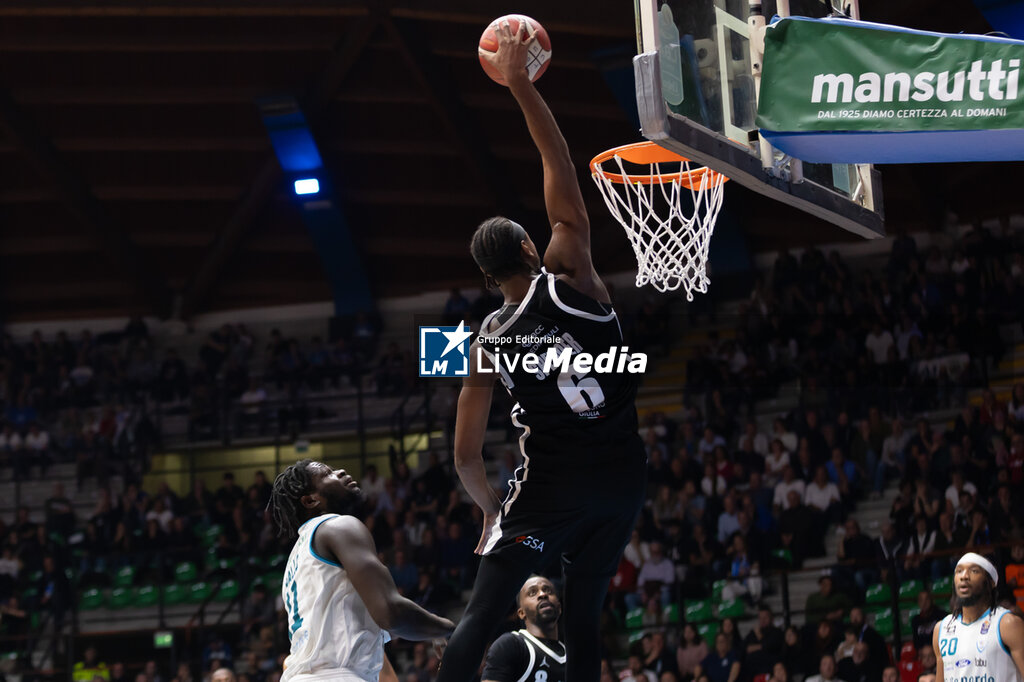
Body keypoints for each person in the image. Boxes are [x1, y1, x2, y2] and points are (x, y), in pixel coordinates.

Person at [438, 20, 646, 682]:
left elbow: (466, 456)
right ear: (533, 249)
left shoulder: (488, 340)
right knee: (583, 620)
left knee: (479, 616)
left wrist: (493, 512)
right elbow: (557, 162)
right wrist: (521, 83)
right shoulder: (575, 275)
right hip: (619, 487)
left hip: (545, 509)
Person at [268, 460, 454, 681]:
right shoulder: (338, 526)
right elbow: (390, 612)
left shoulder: (297, 556)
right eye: (328, 474)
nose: (341, 471)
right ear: (310, 500)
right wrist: (446, 628)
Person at [933, 552, 1024, 682]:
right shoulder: (941, 629)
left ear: (991, 582)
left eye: (974, 571)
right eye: (959, 571)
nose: (964, 576)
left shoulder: (1007, 624)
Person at [482, 576, 565, 682]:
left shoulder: (572, 653)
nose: (543, 594)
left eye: (548, 590)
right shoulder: (510, 645)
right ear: (521, 613)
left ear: (559, 608)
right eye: (532, 593)